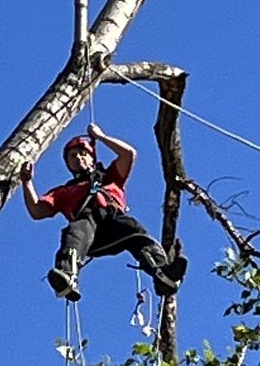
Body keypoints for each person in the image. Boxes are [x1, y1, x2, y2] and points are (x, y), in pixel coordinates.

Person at [19, 123, 186, 301]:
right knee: (77, 229)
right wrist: (27, 182)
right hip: (89, 235)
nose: (78, 158)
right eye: (72, 156)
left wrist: (100, 136)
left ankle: (162, 273)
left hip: (114, 223)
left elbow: (128, 154)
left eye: (83, 154)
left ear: (92, 158)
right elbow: (37, 210)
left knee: (135, 231)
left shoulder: (110, 177)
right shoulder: (63, 191)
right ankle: (67, 274)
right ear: (68, 164)